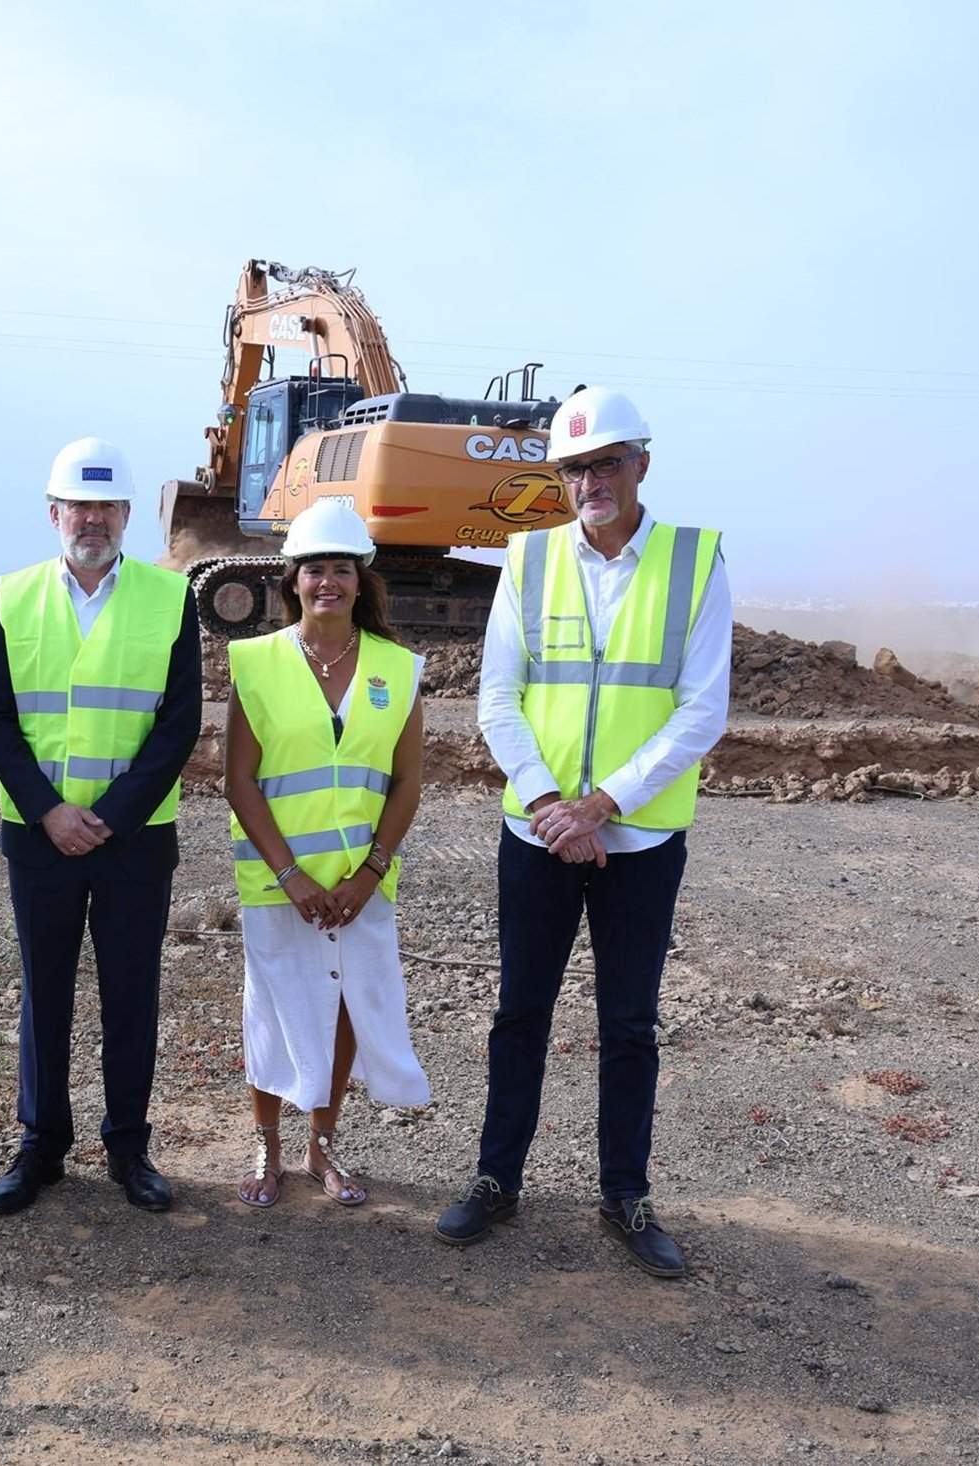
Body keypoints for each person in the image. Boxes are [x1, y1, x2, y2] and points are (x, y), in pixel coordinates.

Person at [435, 387, 731, 1278]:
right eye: (573, 469)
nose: (589, 482)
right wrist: (549, 807)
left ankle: (625, 1195)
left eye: (605, 463)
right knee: (519, 1012)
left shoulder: (694, 561)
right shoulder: (527, 561)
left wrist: (601, 805)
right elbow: (498, 699)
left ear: (641, 463)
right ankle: (496, 1179)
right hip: (539, 834)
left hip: (639, 841)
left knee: (630, 1024)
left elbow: (702, 709)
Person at [0, 437, 201, 1214]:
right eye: (79, 505)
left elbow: (179, 722)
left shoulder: (170, 597)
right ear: (54, 513)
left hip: (133, 841)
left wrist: (109, 817)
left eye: (106, 506)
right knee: (44, 995)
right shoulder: (14, 597)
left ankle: (129, 1148)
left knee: (131, 993)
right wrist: (50, 811)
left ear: (127, 514)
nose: (92, 519)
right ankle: (40, 1145)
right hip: (41, 838)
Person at [222, 500, 431, 1208]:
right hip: (279, 882)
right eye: (315, 569)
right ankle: (267, 1145)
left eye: (341, 569)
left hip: (358, 886)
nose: (328, 582)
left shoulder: (398, 669)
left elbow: (406, 783)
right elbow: (239, 781)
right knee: (273, 1009)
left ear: (360, 580)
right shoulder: (257, 663)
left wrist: (371, 871)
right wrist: (290, 875)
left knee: (343, 1010)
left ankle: (322, 1145)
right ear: (294, 580)